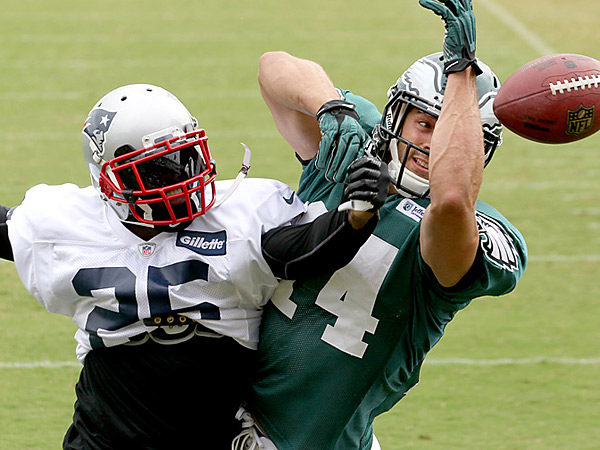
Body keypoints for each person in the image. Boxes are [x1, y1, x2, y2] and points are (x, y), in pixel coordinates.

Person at [0, 83, 389, 449]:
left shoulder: (239, 216)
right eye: (155, 170)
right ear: (108, 181)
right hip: (103, 434)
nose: (178, 179)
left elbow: (304, 250)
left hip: (212, 431)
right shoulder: (64, 224)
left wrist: (356, 213)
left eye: (184, 159)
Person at [241, 1, 528, 449]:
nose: (432, 145)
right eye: (424, 124)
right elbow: (273, 67)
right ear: (397, 116)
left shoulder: (482, 231)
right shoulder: (358, 142)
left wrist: (461, 71)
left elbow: (452, 202)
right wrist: (330, 107)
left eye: (450, 132)